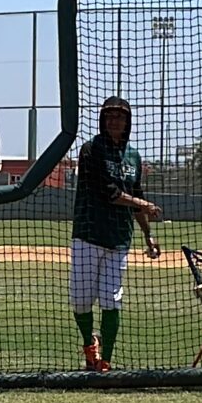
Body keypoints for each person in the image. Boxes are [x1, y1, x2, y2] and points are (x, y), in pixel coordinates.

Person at [69, 95, 160, 372]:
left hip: (119, 239)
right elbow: (108, 192)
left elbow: (136, 194)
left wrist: (147, 235)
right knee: (81, 300)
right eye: (109, 115)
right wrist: (143, 204)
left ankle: (105, 361)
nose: (114, 120)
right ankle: (89, 344)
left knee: (111, 300)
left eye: (119, 116)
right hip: (88, 234)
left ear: (127, 121)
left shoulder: (133, 156)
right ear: (102, 119)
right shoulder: (90, 150)